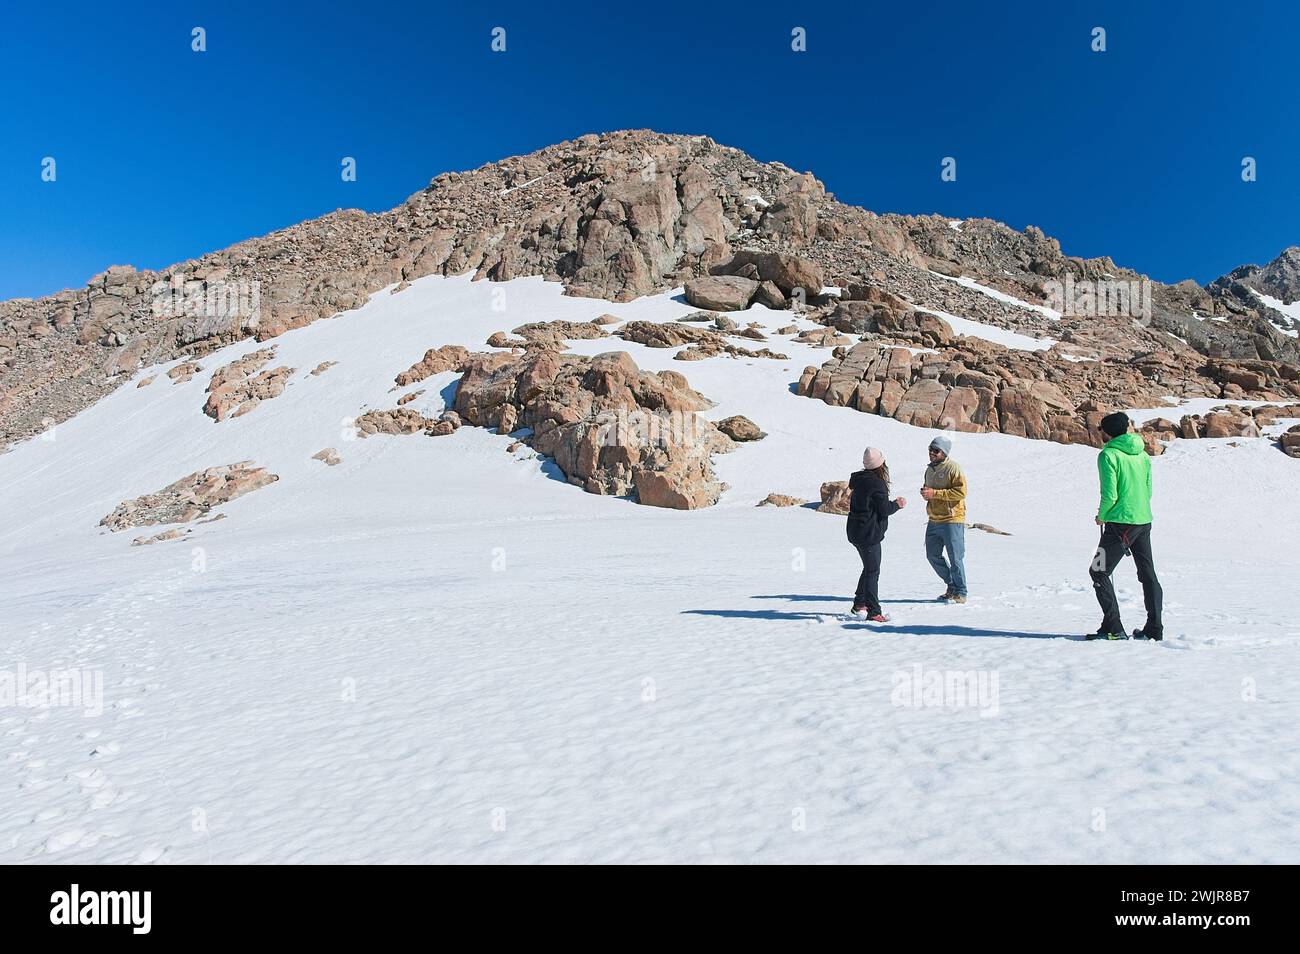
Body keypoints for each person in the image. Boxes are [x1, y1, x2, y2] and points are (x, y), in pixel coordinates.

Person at [1087, 411, 1164, 641]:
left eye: (1101, 429)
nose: (1100, 433)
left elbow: (1109, 493)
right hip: (1143, 519)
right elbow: (1148, 490)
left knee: (1098, 571)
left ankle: (1114, 628)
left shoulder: (1108, 455)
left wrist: (1102, 515)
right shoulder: (1142, 454)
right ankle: (1154, 628)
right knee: (1147, 573)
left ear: (1107, 432)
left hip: (1119, 523)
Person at [846, 447, 907, 622]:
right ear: (881, 465)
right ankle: (873, 611)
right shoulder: (877, 483)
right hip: (868, 534)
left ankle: (859, 603)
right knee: (873, 571)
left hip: (855, 531)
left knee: (869, 567)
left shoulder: (859, 480)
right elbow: (884, 509)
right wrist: (897, 504)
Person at [918, 435, 968, 603]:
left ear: (944, 452)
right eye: (930, 450)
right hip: (934, 519)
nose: (932, 453)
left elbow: (961, 492)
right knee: (932, 555)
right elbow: (932, 491)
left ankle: (961, 591)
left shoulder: (954, 468)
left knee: (956, 557)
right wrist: (926, 494)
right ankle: (951, 585)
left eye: (936, 450)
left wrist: (935, 494)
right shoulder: (929, 469)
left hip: (952, 519)